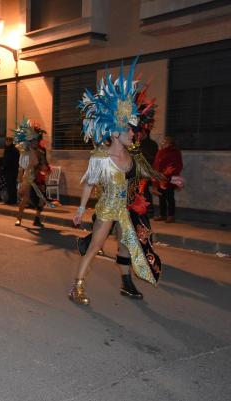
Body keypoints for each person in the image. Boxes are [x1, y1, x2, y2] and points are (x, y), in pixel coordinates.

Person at [69, 58, 159, 305]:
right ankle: (76, 288)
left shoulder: (133, 154)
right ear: (116, 131)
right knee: (94, 248)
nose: (134, 133)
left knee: (127, 246)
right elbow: (89, 183)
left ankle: (127, 283)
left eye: (134, 130)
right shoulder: (101, 155)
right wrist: (80, 209)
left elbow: (148, 173)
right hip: (108, 209)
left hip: (127, 208)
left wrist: (170, 178)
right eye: (130, 130)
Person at [13, 120, 53, 227]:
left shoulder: (41, 151)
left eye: (36, 139)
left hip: (39, 177)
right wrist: (19, 179)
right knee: (24, 198)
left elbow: (44, 165)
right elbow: (21, 166)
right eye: (33, 140)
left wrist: (44, 168)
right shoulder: (25, 151)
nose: (35, 141)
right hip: (28, 177)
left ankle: (37, 219)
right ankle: (19, 219)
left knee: (41, 199)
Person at [153, 136, 183, 223]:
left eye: (164, 142)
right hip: (160, 178)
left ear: (170, 143)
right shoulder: (160, 152)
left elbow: (178, 165)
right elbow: (156, 164)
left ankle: (171, 216)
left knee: (170, 197)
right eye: (162, 142)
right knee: (161, 197)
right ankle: (162, 215)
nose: (162, 144)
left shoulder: (175, 152)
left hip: (170, 178)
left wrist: (167, 173)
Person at [3, 136, 19, 204]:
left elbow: (13, 160)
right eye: (6, 141)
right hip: (7, 170)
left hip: (12, 170)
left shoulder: (14, 150)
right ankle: (10, 199)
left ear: (11, 142)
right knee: (9, 186)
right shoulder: (6, 149)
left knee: (12, 185)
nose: (7, 142)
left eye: (9, 141)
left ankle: (13, 200)